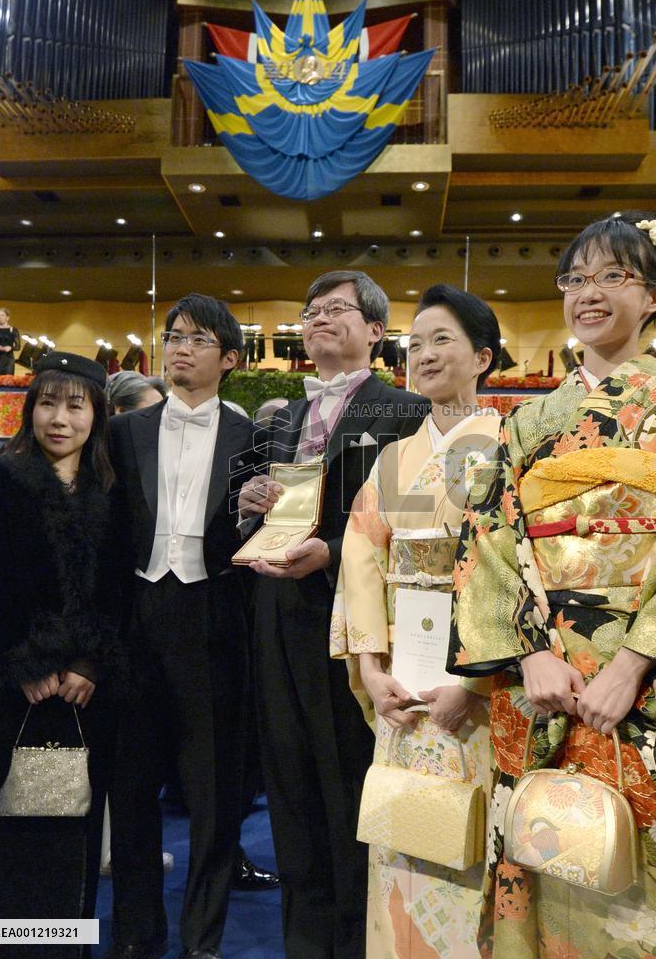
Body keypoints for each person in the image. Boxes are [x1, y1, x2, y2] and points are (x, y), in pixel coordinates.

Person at [449, 211, 656, 956]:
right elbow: (491, 540)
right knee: (550, 857)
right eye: (576, 278)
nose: (588, 293)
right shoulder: (528, 420)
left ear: (655, 296)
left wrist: (630, 665)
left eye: (613, 277)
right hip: (545, 683)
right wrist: (530, 653)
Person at [238, 270, 428, 959]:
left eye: (335, 309)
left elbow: (416, 522)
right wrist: (250, 504)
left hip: (355, 621)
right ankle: (305, 943)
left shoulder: (406, 411)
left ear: (375, 330)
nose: (318, 318)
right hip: (276, 613)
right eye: (311, 310)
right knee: (288, 787)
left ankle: (356, 939)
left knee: (349, 784)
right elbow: (260, 510)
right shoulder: (282, 417)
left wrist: (335, 550)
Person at [331, 285, 501, 957]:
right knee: (402, 834)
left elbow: (515, 571)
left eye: (442, 340)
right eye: (416, 343)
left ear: (482, 357)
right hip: (402, 684)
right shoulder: (397, 457)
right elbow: (362, 559)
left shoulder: (510, 448)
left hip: (475, 688)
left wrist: (477, 680)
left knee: (473, 840)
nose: (424, 355)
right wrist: (371, 669)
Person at [107, 294, 257, 959]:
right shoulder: (125, 432)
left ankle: (202, 941)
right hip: (136, 620)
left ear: (229, 358)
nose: (180, 348)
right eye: (173, 336)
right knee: (132, 790)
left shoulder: (252, 438)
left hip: (215, 619)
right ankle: (136, 936)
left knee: (214, 795)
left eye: (197, 339)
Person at [0, 351, 121, 955]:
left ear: (97, 414)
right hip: (8, 693)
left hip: (85, 694)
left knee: (71, 828)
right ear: (30, 409)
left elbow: (120, 588)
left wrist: (90, 664)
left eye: (75, 406)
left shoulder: (113, 489)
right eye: (47, 404)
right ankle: (2, 945)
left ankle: (64, 945)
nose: (59, 419)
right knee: (2, 827)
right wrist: (20, 664)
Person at [0, 307, 21, 376]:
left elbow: (18, 347)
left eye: (2, 315)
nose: (0, 317)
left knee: (7, 378)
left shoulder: (13, 330)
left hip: (8, 358)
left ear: (7, 317)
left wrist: (11, 348)